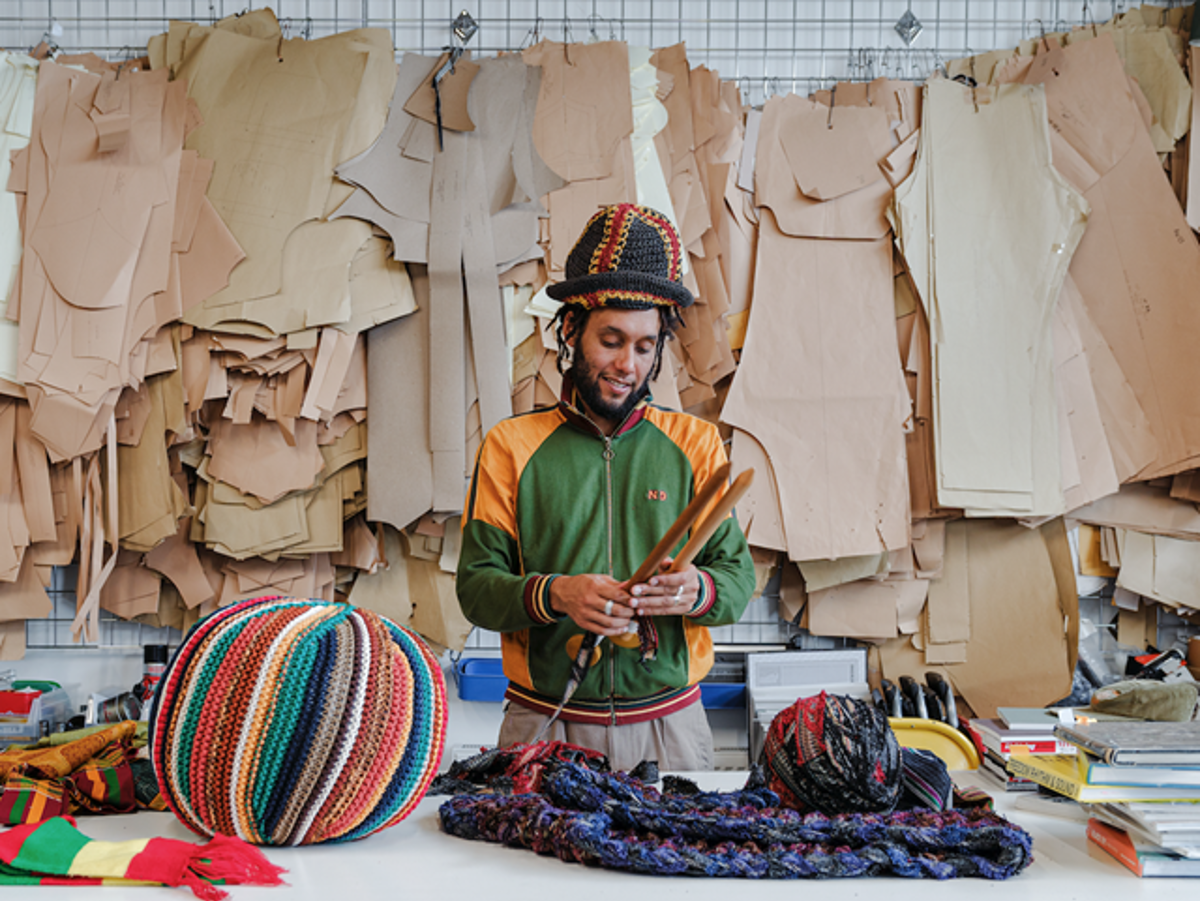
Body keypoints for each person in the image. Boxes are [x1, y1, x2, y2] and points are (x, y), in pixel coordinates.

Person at [456, 203, 756, 772]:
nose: (627, 365)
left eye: (645, 346)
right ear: (570, 329)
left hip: (670, 728)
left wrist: (697, 591)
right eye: (611, 340)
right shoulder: (511, 446)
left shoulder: (696, 444)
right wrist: (558, 594)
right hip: (544, 726)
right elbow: (476, 590)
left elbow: (738, 580)